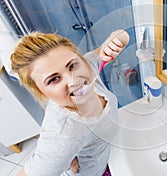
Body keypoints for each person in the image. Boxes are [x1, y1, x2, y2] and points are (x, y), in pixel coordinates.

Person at [11, 29, 129, 176]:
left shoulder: (88, 68)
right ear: (41, 92)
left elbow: (120, 35)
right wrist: (62, 154)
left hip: (108, 155)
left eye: (72, 66)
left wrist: (116, 40)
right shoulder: (62, 135)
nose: (74, 80)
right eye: (54, 79)